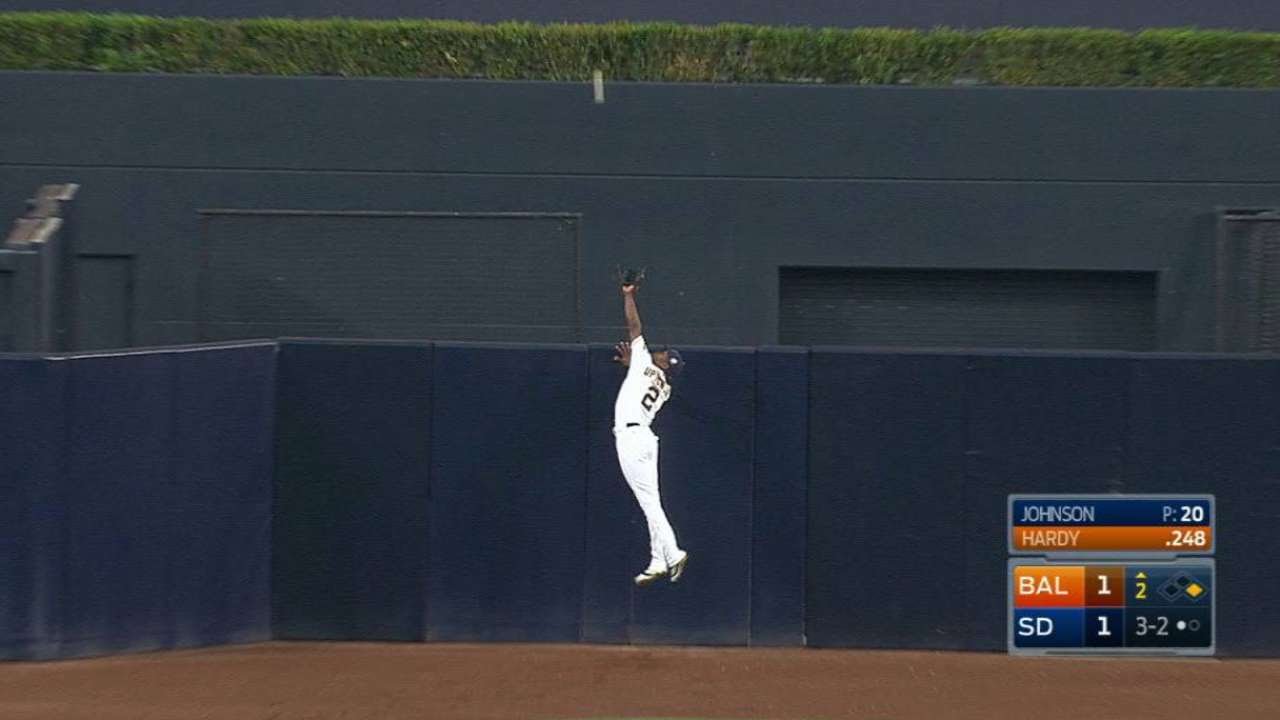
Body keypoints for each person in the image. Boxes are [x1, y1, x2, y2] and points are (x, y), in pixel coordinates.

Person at [611, 279, 689, 586]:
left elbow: (634, 326)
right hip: (644, 438)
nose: (661, 351)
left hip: (632, 438)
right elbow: (645, 376)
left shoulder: (645, 362)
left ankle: (673, 551)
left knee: (648, 502)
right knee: (650, 498)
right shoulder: (664, 386)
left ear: (666, 364)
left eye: (665, 354)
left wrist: (629, 296)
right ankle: (658, 559)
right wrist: (633, 365)